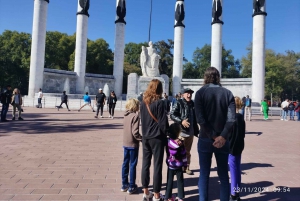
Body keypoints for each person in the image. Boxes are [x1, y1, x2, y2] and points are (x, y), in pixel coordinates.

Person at [194, 67, 235, 201]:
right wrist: (222, 136)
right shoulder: (228, 93)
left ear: (205, 77)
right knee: (223, 175)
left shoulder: (200, 93)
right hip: (223, 140)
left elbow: (200, 119)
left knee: (204, 174)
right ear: (218, 77)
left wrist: (213, 136)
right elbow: (231, 119)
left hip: (205, 138)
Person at [140, 79, 169, 201]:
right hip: (157, 137)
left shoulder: (143, 102)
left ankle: (146, 192)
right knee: (157, 165)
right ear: (159, 89)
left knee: (145, 164)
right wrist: (170, 134)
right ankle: (157, 194)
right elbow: (163, 123)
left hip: (145, 136)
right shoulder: (160, 103)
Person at [170, 88, 199, 175]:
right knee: (178, 150)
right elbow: (172, 114)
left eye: (190, 93)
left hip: (190, 132)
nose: (189, 95)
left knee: (187, 151)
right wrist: (181, 121)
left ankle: (187, 167)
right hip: (181, 132)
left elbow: (195, 118)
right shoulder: (179, 103)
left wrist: (196, 130)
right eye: (187, 93)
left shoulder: (193, 104)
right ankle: (177, 167)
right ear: (183, 95)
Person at [121, 98, 142, 194]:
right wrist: (141, 138)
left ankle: (124, 184)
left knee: (125, 163)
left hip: (125, 143)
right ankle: (132, 186)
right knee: (132, 165)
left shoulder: (125, 115)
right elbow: (135, 132)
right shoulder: (135, 116)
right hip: (133, 143)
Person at [229, 96, 245, 201]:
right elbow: (242, 134)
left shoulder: (231, 118)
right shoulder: (240, 117)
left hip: (231, 147)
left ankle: (233, 194)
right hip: (239, 146)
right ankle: (237, 191)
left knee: (233, 170)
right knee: (237, 169)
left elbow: (229, 134)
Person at [165, 123, 187, 201]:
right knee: (180, 181)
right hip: (179, 165)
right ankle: (180, 197)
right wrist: (185, 165)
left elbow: (167, 153)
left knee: (169, 181)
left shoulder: (168, 142)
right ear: (178, 133)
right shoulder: (180, 143)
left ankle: (168, 197)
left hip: (171, 164)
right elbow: (184, 154)